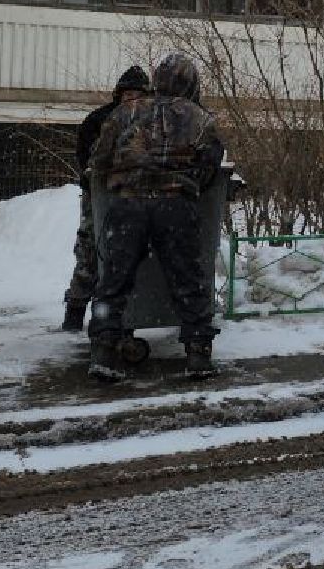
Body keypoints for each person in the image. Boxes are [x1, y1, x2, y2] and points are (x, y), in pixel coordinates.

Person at [87, 53, 225, 381]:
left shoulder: (125, 113)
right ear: (191, 83)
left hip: (127, 205)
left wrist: (124, 179)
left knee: (115, 279)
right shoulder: (200, 118)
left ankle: (105, 352)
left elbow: (100, 159)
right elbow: (210, 165)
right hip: (176, 205)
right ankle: (197, 355)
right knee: (188, 278)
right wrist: (185, 183)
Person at [61, 65, 150, 331]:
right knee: (90, 252)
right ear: (119, 94)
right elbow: (87, 161)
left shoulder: (153, 120)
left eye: (138, 94)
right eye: (128, 93)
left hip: (136, 198)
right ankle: (75, 313)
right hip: (99, 198)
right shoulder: (100, 119)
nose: (132, 99)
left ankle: (119, 318)